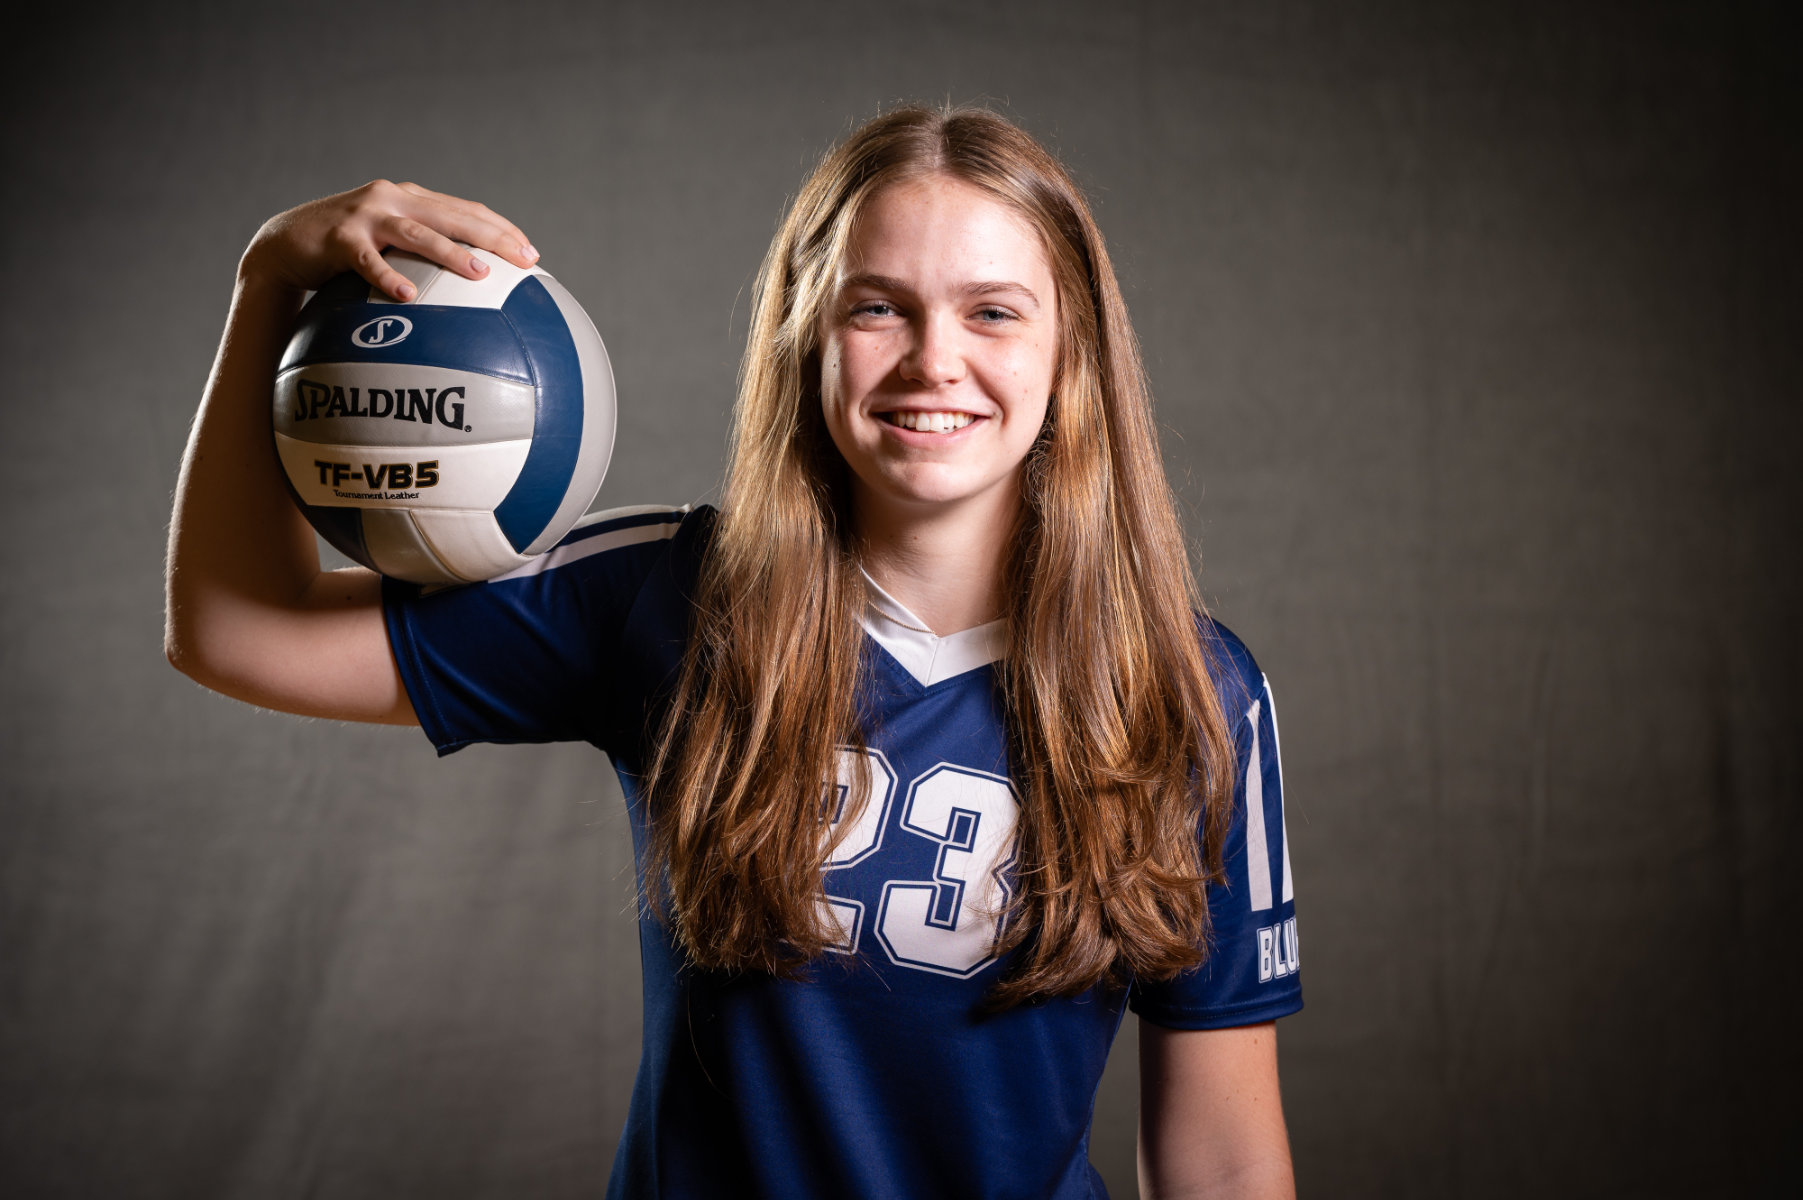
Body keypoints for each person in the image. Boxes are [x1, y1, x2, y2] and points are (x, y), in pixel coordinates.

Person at [165, 105, 1302, 1199]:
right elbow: (232, 630)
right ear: (805, 331)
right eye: (878, 308)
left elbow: (1224, 1165)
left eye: (993, 313)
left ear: (1075, 357)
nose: (932, 360)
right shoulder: (668, 595)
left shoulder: (1193, 694)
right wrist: (268, 284)